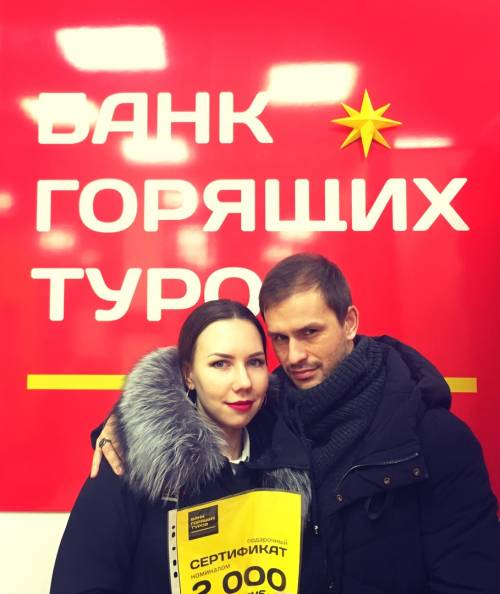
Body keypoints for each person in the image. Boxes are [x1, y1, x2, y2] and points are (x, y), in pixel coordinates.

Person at [91, 253, 500, 593]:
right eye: (280, 339)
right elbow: (193, 406)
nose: (294, 355)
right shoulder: (265, 415)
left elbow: (471, 579)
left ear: (349, 322)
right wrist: (130, 425)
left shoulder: (433, 436)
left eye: (310, 332)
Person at [50, 299, 311, 594]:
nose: (243, 382)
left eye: (255, 362)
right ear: (188, 375)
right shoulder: (131, 464)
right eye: (220, 364)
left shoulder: (291, 459)